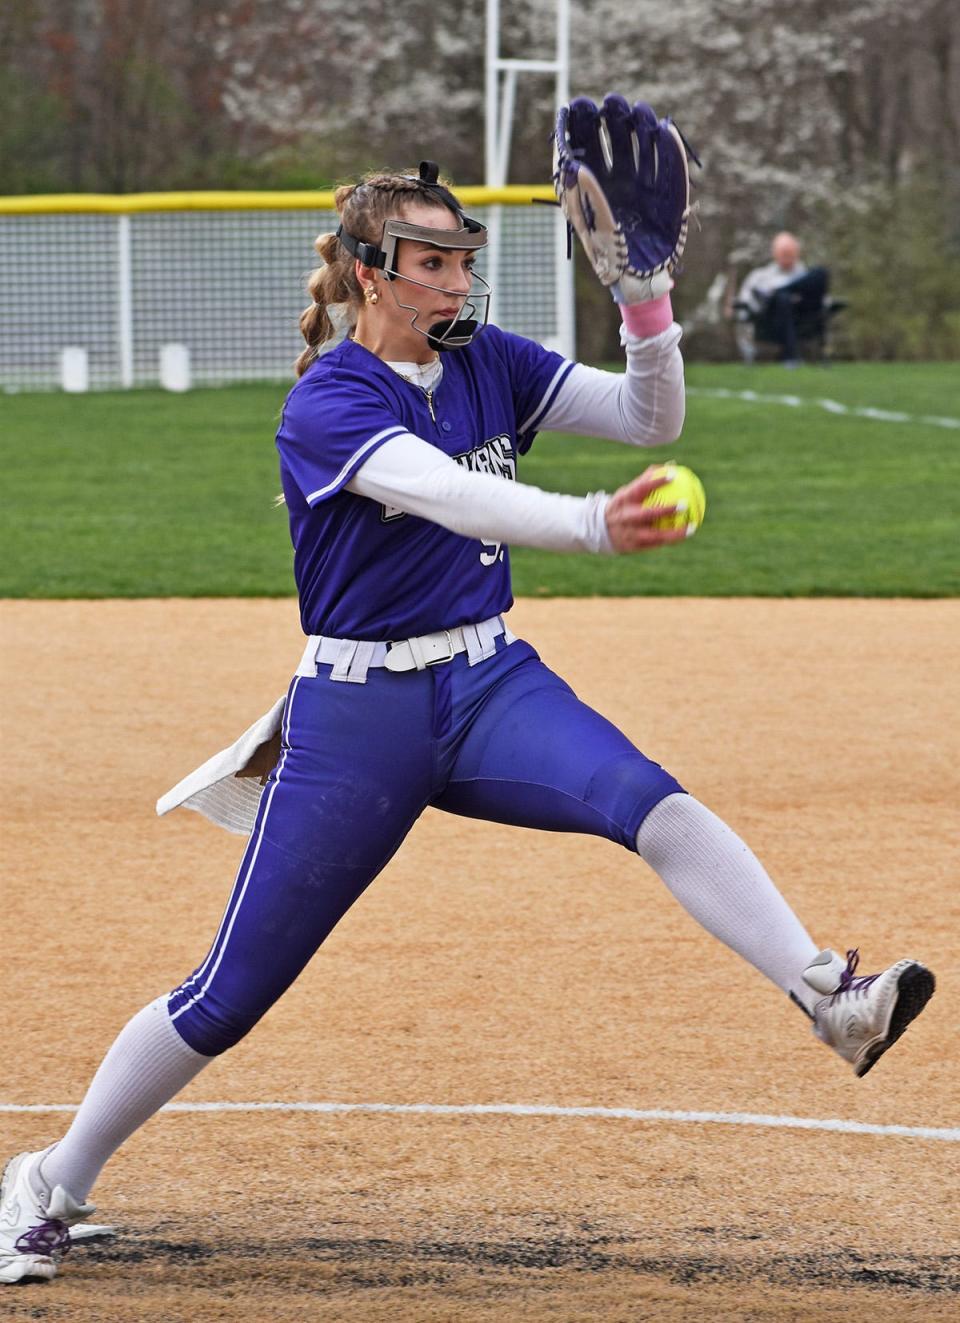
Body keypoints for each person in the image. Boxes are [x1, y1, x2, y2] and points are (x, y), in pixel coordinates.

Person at [1, 164, 934, 1287]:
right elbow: (446, 492)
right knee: (231, 994)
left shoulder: (489, 361)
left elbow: (651, 414)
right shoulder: (332, 398)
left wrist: (645, 301)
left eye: (462, 260)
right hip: (362, 715)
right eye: (431, 262)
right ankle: (48, 1181)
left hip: (492, 684)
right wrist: (591, 525)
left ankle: (830, 997)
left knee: (654, 804)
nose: (456, 281)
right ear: (370, 274)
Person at [734, 232, 831, 365]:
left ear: (797, 253)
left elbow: (824, 301)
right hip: (770, 321)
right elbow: (745, 302)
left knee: (821, 273)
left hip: (802, 318)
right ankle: (790, 355)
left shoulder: (806, 274)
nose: (787, 258)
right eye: (784, 254)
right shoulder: (760, 276)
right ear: (775, 253)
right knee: (782, 298)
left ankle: (781, 290)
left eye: (791, 254)